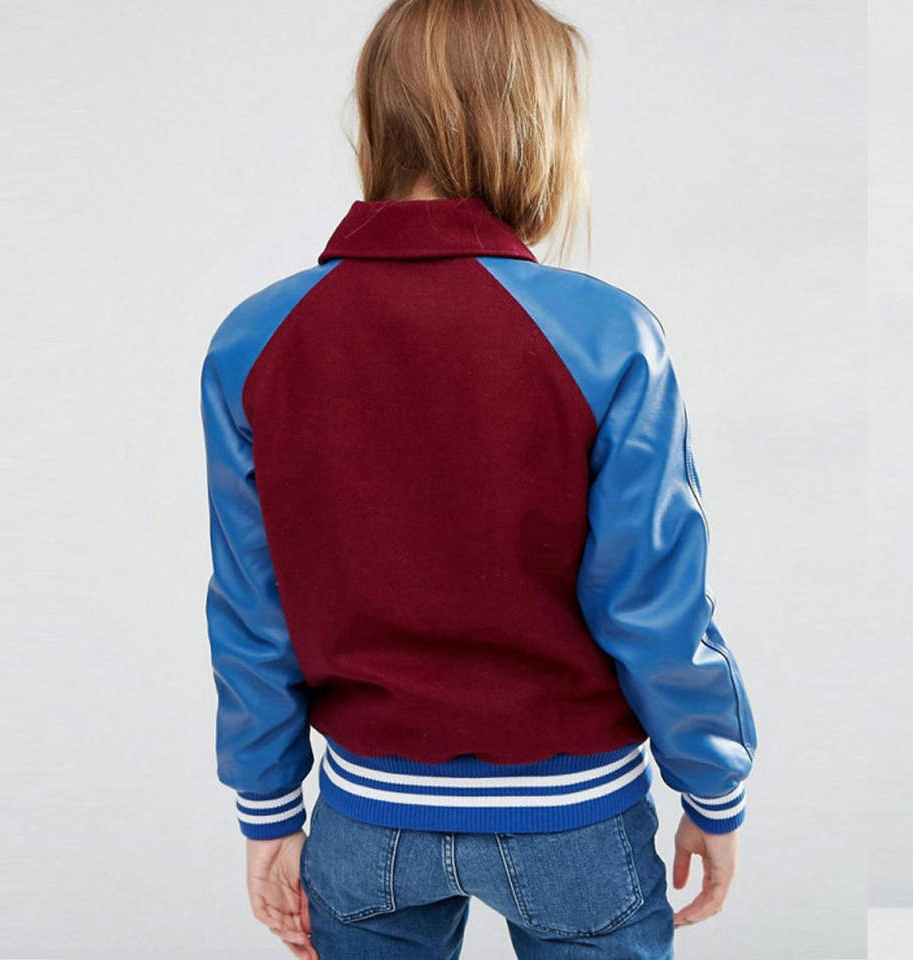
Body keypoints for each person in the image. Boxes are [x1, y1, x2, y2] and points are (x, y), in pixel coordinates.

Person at [199, 1, 758, 957]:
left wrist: (267, 808)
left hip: (366, 815)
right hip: (576, 817)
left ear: (379, 115)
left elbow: (253, 604)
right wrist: (714, 787)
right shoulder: (606, 334)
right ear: (535, 127)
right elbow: (654, 600)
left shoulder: (254, 340)